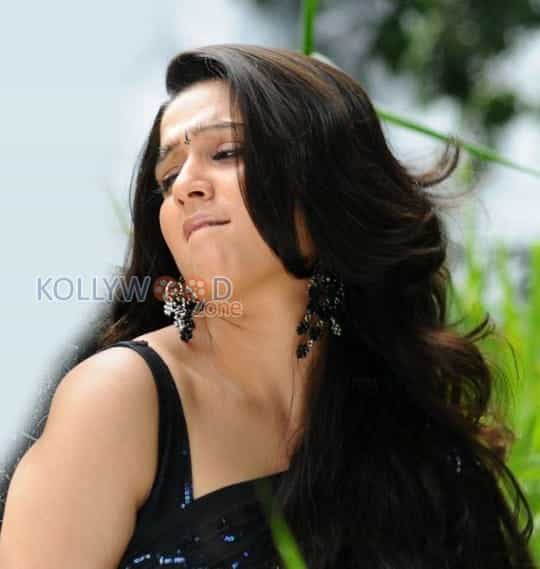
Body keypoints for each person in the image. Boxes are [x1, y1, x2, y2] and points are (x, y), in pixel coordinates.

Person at [0, 44, 536, 569]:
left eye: (226, 152)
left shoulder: (406, 413)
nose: (185, 186)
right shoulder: (122, 397)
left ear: (327, 180)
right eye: (167, 178)